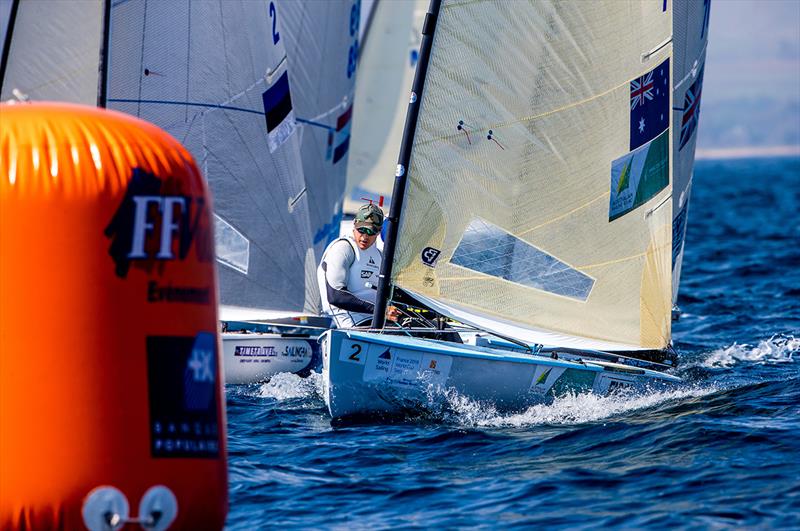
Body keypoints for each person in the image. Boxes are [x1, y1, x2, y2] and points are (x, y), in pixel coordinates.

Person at [317, 203, 400, 328]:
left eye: (371, 232)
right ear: (354, 224)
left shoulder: (379, 255)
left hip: (377, 319)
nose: (365, 236)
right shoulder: (343, 248)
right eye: (362, 230)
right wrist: (382, 311)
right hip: (350, 322)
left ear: (378, 232)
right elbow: (336, 296)